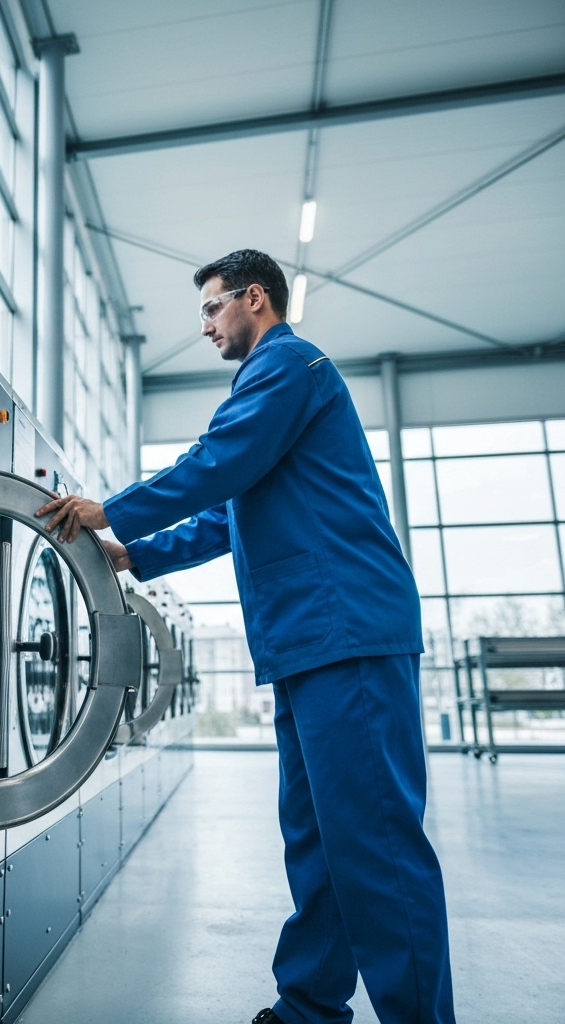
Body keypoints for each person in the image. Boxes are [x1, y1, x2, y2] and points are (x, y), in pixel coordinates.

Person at [37, 250, 455, 1024]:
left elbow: (216, 463)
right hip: (307, 640)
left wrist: (111, 510)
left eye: (210, 309)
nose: (203, 327)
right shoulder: (279, 385)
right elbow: (231, 512)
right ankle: (309, 1006)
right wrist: (137, 551)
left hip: (346, 631)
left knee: (377, 846)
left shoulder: (286, 366)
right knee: (320, 838)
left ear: (253, 298)